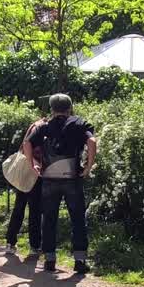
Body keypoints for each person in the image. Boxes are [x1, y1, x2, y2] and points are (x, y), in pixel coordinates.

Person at [22, 94, 97, 274]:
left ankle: (49, 260)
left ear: (52, 109)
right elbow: (92, 141)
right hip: (72, 178)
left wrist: (32, 165)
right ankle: (79, 261)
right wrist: (88, 166)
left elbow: (27, 143)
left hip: (49, 178)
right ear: (70, 107)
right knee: (78, 218)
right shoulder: (79, 123)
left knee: (49, 219)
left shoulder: (45, 126)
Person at [5, 115, 47, 257]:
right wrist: (35, 163)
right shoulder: (41, 127)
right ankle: (34, 246)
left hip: (25, 172)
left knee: (20, 207)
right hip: (35, 172)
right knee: (35, 210)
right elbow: (27, 145)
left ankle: (10, 242)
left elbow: (24, 145)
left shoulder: (34, 125)